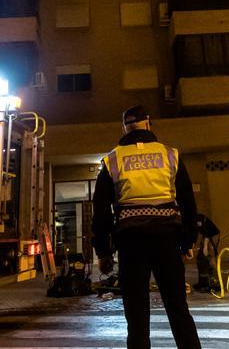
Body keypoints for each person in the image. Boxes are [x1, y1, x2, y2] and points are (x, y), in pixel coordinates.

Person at [92, 105, 201, 349]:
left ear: (125, 128)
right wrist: (188, 240)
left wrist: (103, 251)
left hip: (131, 243)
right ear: (148, 124)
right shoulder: (169, 154)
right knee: (177, 308)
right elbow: (187, 201)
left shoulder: (113, 160)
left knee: (137, 313)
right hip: (167, 239)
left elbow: (100, 211)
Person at [192, 213, 220, 293]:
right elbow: (196, 233)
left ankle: (215, 285)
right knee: (200, 260)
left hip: (211, 237)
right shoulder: (192, 219)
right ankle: (203, 283)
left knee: (209, 260)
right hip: (206, 238)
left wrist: (205, 247)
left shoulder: (198, 218)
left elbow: (206, 233)